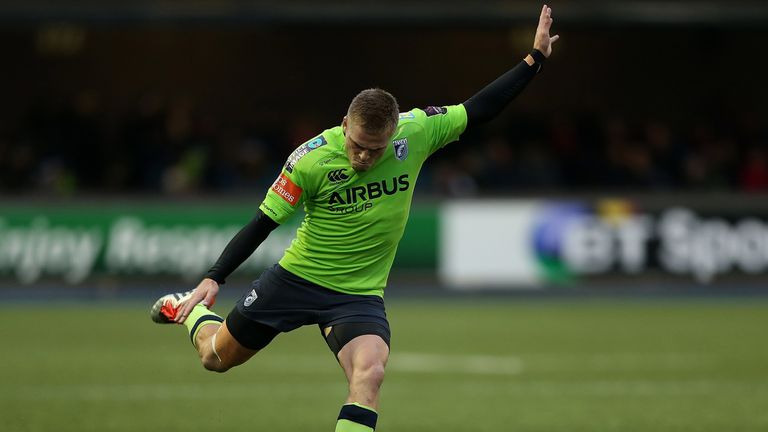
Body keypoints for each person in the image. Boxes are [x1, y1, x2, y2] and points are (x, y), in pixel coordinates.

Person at [150, 5, 558, 431]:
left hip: (357, 296)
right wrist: (215, 276)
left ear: (394, 132)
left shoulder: (416, 133)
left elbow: (481, 109)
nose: (364, 156)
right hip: (297, 280)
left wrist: (534, 60)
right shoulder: (310, 159)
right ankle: (189, 312)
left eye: (375, 149)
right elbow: (262, 223)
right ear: (345, 124)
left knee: (371, 374)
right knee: (216, 358)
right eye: (357, 144)